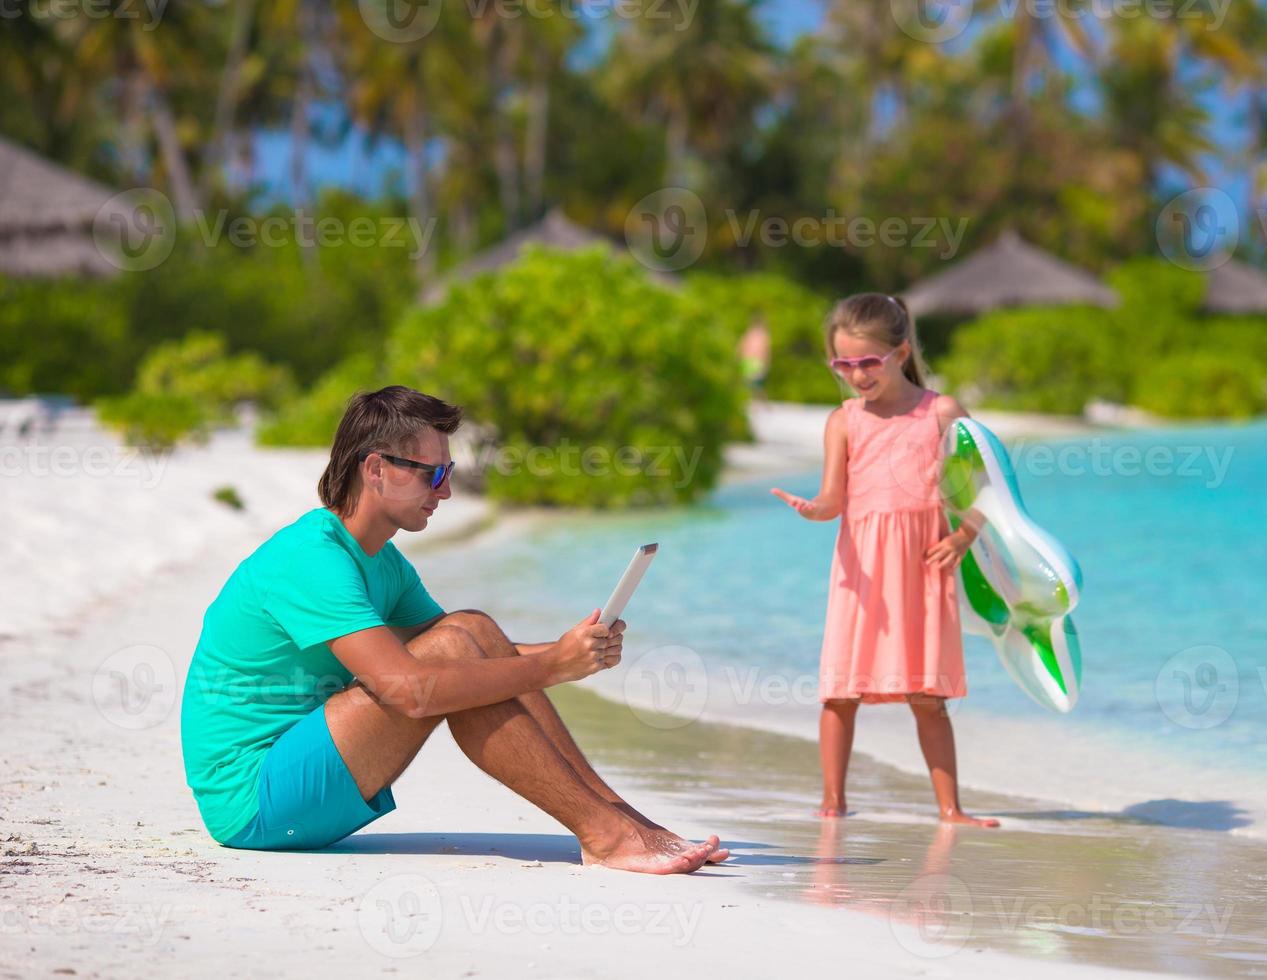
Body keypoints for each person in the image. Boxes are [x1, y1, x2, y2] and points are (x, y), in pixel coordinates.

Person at [180, 385, 728, 873]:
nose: (444, 491)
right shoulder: (311, 559)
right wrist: (552, 665)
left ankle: (620, 820)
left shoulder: (381, 561)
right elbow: (409, 691)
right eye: (432, 473)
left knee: (471, 627)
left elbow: (476, 648)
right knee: (453, 645)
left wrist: (575, 650)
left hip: (306, 778)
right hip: (256, 801)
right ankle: (605, 835)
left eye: (448, 473)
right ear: (375, 470)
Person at [770, 294, 999, 826]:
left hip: (923, 568)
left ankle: (950, 808)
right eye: (843, 364)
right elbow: (834, 499)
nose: (856, 375)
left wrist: (965, 533)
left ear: (899, 352)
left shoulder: (941, 413)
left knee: (927, 694)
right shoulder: (843, 421)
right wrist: (814, 509)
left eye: (867, 362)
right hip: (862, 572)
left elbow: (988, 490)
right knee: (839, 692)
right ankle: (833, 802)